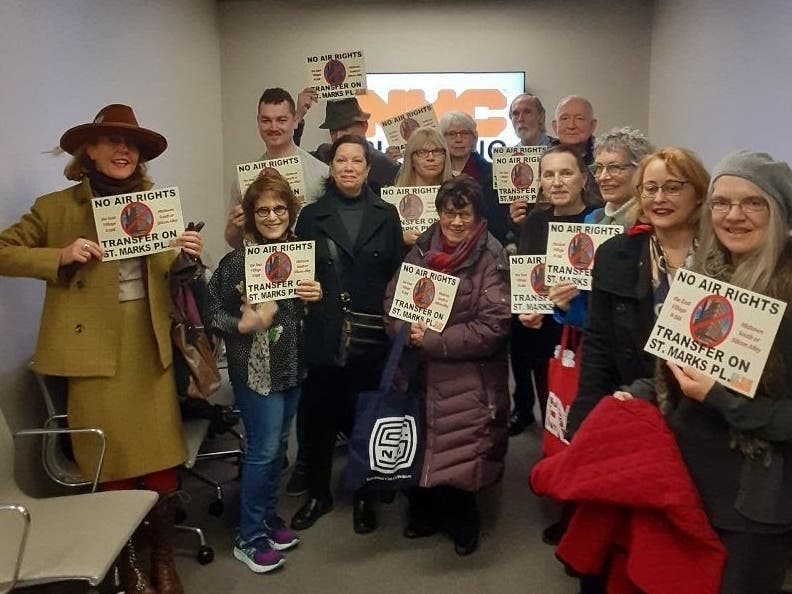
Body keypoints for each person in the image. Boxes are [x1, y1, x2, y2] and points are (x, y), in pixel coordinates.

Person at [0, 104, 204, 594]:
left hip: (148, 345)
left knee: (160, 461)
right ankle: (127, 561)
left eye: (130, 144)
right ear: (87, 150)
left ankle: (161, 558)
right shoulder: (56, 208)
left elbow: (167, 273)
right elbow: (4, 250)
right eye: (111, 141)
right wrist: (60, 256)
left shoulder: (154, 203)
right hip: (90, 352)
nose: (122, 150)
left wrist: (184, 257)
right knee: (110, 462)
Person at [655, 151, 792, 594]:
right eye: (721, 202)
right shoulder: (702, 278)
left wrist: (720, 397)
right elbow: (674, 369)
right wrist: (638, 390)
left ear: (780, 212)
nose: (734, 215)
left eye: (753, 202)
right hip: (690, 477)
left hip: (756, 498)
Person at [383, 175, 511, 556]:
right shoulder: (422, 249)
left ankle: (461, 522)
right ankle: (422, 513)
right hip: (417, 371)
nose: (456, 222)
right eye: (449, 213)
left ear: (477, 217)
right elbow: (394, 299)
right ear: (438, 213)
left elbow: (494, 326)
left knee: (461, 450)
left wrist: (434, 341)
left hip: (468, 376)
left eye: (464, 215)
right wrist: (404, 330)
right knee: (420, 444)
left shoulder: (492, 256)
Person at [206, 172, 322, 574]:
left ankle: (267, 518)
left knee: (277, 450)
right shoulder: (237, 261)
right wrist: (242, 325)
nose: (272, 216)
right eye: (262, 211)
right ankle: (249, 536)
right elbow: (210, 313)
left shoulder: (300, 255)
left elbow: (305, 311)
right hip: (256, 371)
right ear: (251, 217)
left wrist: (316, 295)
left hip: (293, 366)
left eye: (279, 209)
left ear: (290, 212)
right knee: (263, 451)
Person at [289, 135, 403, 534]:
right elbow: (297, 271)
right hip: (324, 331)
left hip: (371, 335)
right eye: (342, 160)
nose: (349, 167)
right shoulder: (310, 215)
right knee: (318, 419)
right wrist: (305, 287)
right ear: (331, 167)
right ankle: (318, 495)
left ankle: (364, 496)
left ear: (368, 169)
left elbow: (395, 274)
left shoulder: (387, 214)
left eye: (357, 160)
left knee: (365, 420)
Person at [511, 145, 598, 436]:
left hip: (583, 330)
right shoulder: (536, 220)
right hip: (542, 324)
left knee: (583, 411)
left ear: (583, 179)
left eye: (566, 173)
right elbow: (528, 274)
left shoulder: (599, 220)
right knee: (551, 401)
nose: (557, 182)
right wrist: (529, 310)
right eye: (548, 175)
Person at [548, 127, 654, 331]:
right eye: (598, 168)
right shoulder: (592, 221)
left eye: (614, 167)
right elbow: (584, 309)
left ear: (641, 171)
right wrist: (565, 304)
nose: (603, 177)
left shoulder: (652, 226)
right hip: (597, 348)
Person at [225, 87, 328, 248]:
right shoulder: (242, 180)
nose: (273, 127)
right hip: (261, 269)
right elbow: (237, 244)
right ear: (258, 122)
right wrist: (232, 229)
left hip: (307, 268)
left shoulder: (321, 173)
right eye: (266, 120)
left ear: (295, 121)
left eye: (281, 120)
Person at [509, 95, 600, 228]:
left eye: (579, 119)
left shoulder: (604, 160)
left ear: (593, 125)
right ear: (555, 125)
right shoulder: (538, 160)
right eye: (564, 118)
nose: (571, 125)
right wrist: (519, 221)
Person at [300, 96, 400, 196]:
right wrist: (297, 117)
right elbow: (292, 161)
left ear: (364, 126)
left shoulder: (386, 165)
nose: (338, 136)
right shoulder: (324, 154)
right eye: (333, 131)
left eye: (345, 128)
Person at [439, 110, 508, 245]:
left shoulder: (493, 172)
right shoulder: (433, 171)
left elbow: (499, 220)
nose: (458, 139)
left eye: (465, 133)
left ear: (474, 138)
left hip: (482, 245)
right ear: (442, 139)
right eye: (452, 134)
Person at [394, 126, 453, 246]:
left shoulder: (459, 195)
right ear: (411, 159)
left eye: (437, 151)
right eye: (422, 152)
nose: (431, 158)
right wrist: (399, 239)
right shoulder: (391, 200)